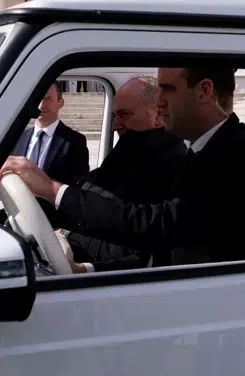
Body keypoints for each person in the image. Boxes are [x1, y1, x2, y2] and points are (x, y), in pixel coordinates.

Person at [0, 63, 245, 266]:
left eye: (167, 88)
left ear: (204, 91)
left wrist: (52, 188)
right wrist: (89, 270)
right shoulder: (202, 150)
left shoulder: (237, 156)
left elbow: (158, 226)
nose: (160, 101)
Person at [64, 76, 190, 268]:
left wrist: (87, 270)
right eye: (115, 116)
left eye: (124, 115)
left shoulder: (172, 169)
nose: (115, 126)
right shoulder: (128, 155)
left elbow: (145, 250)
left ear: (158, 115)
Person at [8, 83, 90, 187]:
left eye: (48, 99)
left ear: (60, 103)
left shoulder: (75, 141)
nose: (41, 105)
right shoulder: (18, 138)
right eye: (38, 99)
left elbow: (78, 186)